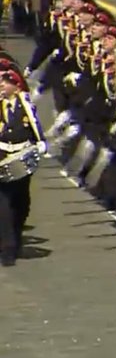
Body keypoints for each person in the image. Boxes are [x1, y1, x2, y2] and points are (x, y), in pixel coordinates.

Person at [0, 68, 48, 266]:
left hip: (22, 156)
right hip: (2, 156)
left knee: (21, 203)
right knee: (3, 205)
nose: (1, 85)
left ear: (15, 85)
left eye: (4, 82)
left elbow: (35, 124)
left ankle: (16, 236)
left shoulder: (24, 103)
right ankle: (7, 249)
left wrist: (41, 141)